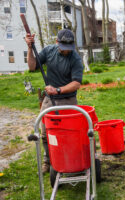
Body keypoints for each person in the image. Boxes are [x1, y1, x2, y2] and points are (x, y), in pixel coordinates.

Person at [25, 29, 84, 173]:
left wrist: (58, 90)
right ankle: (48, 160)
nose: (66, 52)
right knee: (46, 133)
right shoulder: (49, 51)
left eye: (69, 48)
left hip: (68, 99)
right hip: (49, 99)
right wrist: (30, 48)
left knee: (69, 133)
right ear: (57, 42)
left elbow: (76, 83)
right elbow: (32, 66)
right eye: (64, 48)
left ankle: (70, 158)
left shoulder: (75, 58)